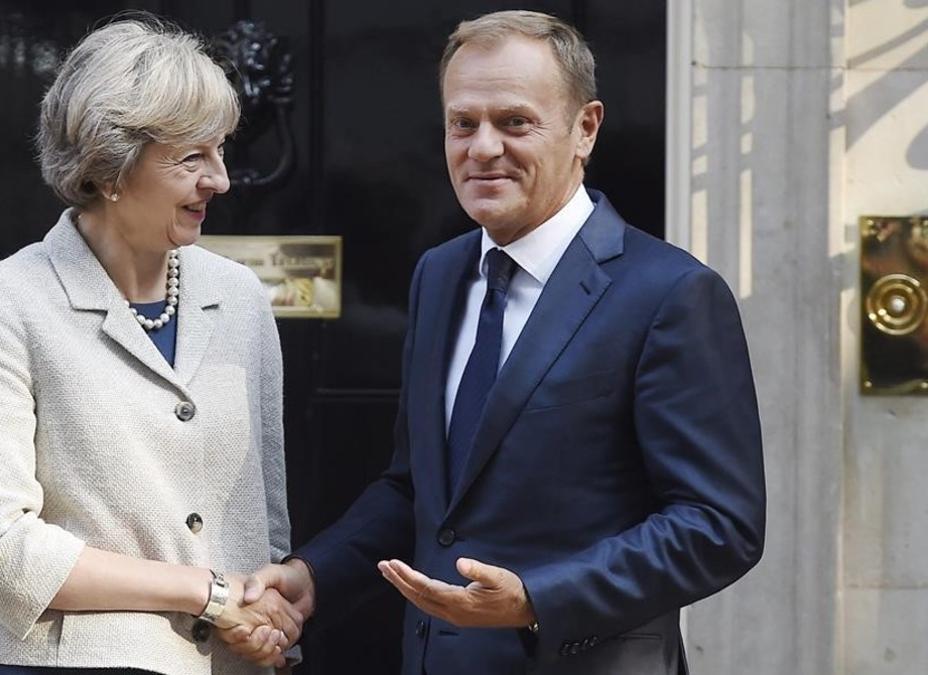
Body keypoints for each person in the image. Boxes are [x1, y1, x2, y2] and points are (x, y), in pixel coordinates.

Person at [223, 10, 766, 674]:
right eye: (463, 122)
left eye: (514, 122)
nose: (482, 148)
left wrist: (536, 596)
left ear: (585, 128)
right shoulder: (441, 274)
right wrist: (315, 575)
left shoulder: (669, 294)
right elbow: (418, 489)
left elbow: (719, 525)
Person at [0, 14, 299, 675]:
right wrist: (206, 593)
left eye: (220, 151)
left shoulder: (241, 298)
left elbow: (264, 527)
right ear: (110, 168)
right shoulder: (2, 303)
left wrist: (271, 620)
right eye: (192, 157)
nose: (220, 179)